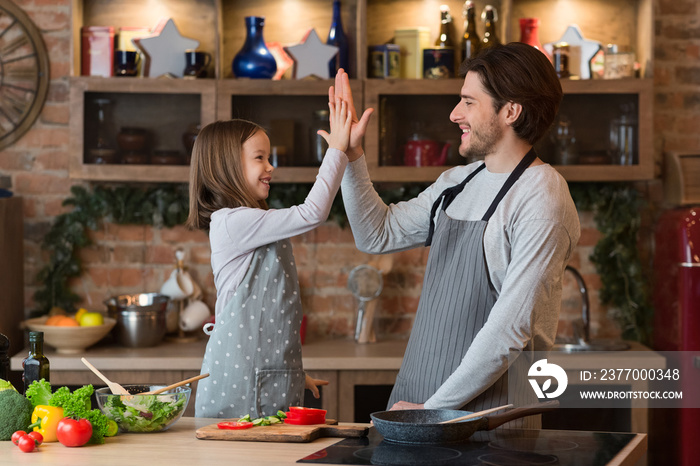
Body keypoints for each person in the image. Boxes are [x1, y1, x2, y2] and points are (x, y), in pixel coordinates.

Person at [333, 42, 581, 425]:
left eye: (468, 102)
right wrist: (350, 158)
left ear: (511, 111)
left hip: (490, 421)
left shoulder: (542, 195)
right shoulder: (458, 182)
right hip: (418, 400)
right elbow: (377, 235)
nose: (454, 114)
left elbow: (510, 329)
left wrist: (434, 412)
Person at [187, 98, 353, 418]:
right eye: (259, 158)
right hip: (239, 387)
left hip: (265, 381)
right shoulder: (232, 222)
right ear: (227, 167)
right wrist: (338, 151)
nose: (270, 167)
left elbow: (268, 325)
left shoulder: (254, 223)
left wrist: (291, 374)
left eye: (269, 157)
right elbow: (313, 212)